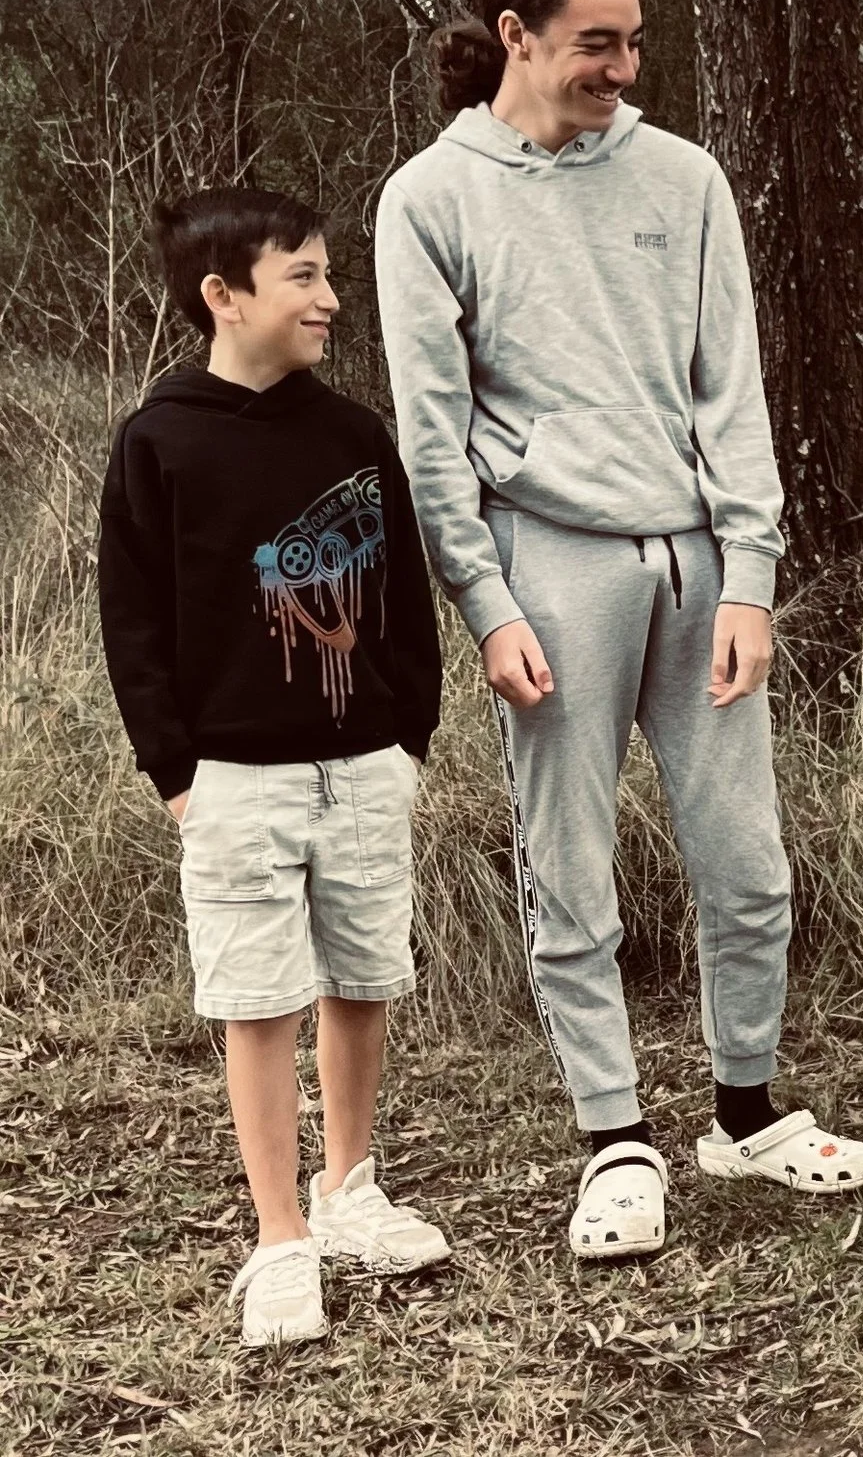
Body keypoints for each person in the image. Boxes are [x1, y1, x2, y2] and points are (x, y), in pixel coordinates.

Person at [375, 0, 863, 1261]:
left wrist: (751, 575)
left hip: (700, 562)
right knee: (570, 870)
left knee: (747, 864)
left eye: (634, 39)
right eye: (596, 40)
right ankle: (615, 1143)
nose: (622, 63)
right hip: (551, 568)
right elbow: (433, 440)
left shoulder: (685, 177)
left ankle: (748, 1111)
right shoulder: (430, 200)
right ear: (517, 37)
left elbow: (733, 390)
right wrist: (486, 601)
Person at [100, 189, 449, 1345]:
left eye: (329, 273)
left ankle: (349, 1190)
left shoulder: (351, 435)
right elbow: (133, 621)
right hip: (234, 776)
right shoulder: (161, 439)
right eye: (302, 276)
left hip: (361, 765)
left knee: (362, 981)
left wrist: (409, 736)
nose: (331, 299)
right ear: (223, 294)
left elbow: (401, 594)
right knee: (258, 1001)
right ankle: (281, 1234)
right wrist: (178, 773)